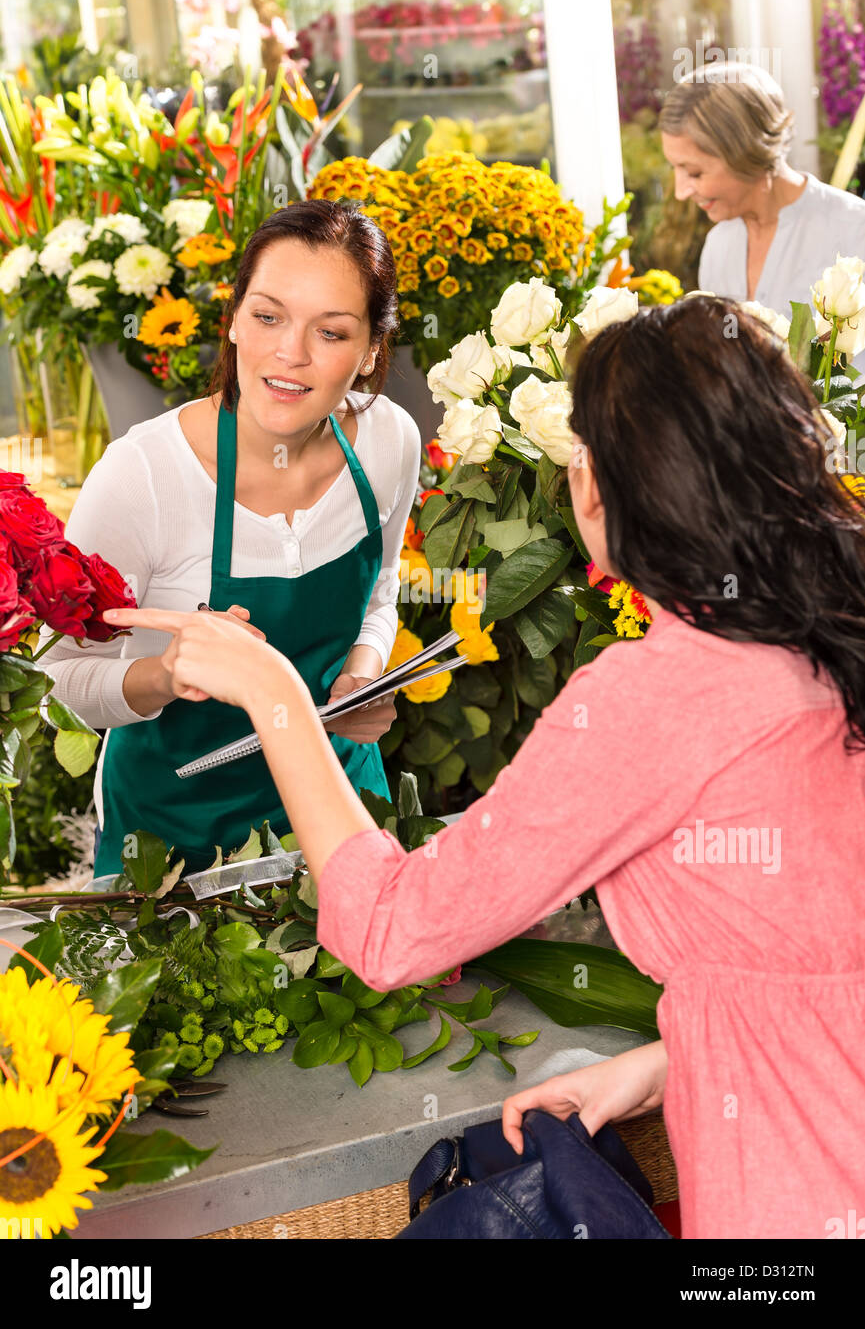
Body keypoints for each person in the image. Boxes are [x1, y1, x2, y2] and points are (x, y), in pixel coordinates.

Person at [104, 294, 865, 1240]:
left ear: (598, 487)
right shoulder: (829, 640)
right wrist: (684, 1058)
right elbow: (816, 954)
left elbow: (391, 932)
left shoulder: (658, 692)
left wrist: (277, 699)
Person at [39, 199, 421, 877]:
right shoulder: (145, 476)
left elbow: (380, 592)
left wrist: (362, 677)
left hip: (337, 810)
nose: (290, 354)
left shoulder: (389, 440)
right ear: (235, 322)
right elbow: (55, 680)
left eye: (330, 333)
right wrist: (163, 675)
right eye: (268, 316)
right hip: (168, 838)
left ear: (368, 353)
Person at [659, 61, 865, 321]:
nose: (681, 192)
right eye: (675, 169)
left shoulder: (855, 232)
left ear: (748, 152)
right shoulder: (718, 247)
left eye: (695, 173)